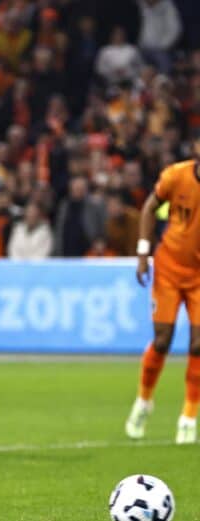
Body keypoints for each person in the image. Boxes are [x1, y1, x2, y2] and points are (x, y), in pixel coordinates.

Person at [125, 142, 200, 444]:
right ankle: (144, 402)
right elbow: (149, 207)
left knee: (198, 344)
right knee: (162, 339)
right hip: (169, 268)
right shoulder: (175, 176)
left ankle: (188, 417)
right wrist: (143, 254)